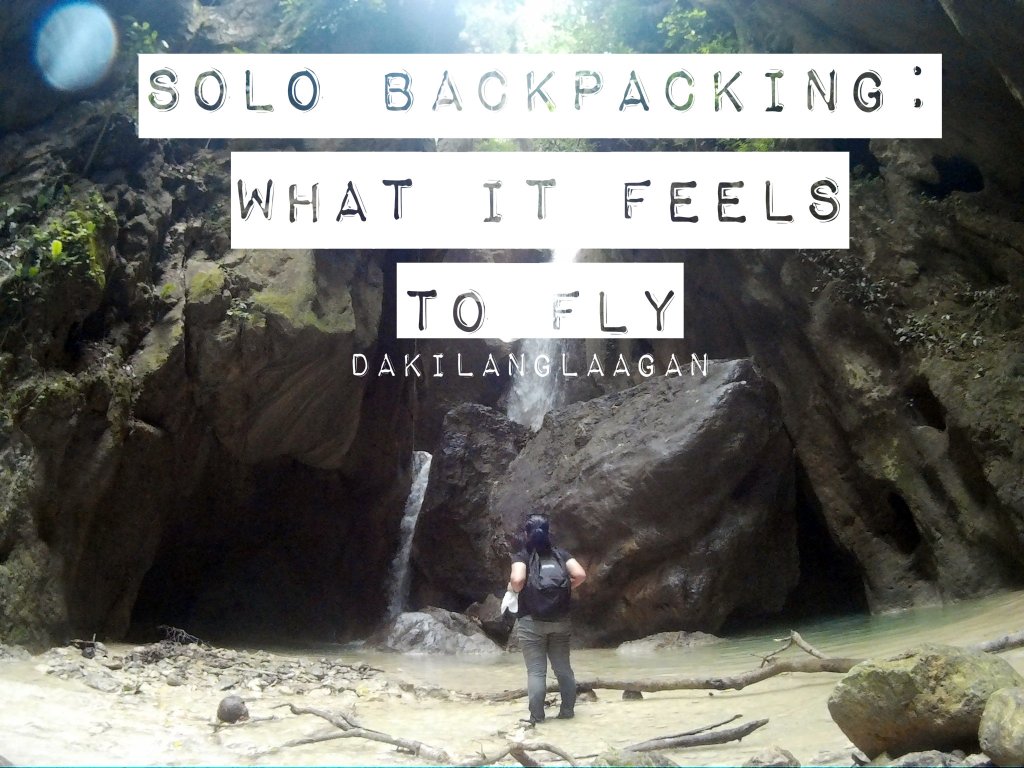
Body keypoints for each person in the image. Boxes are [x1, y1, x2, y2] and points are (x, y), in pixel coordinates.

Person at [508, 513, 587, 724]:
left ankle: (537, 717)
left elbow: (517, 580)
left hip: (531, 621)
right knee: (563, 669)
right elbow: (580, 575)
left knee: (536, 671)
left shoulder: (522, 556)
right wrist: (566, 587)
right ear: (548, 532)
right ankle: (567, 713)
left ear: (526, 534)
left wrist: (515, 589)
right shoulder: (561, 555)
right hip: (560, 620)